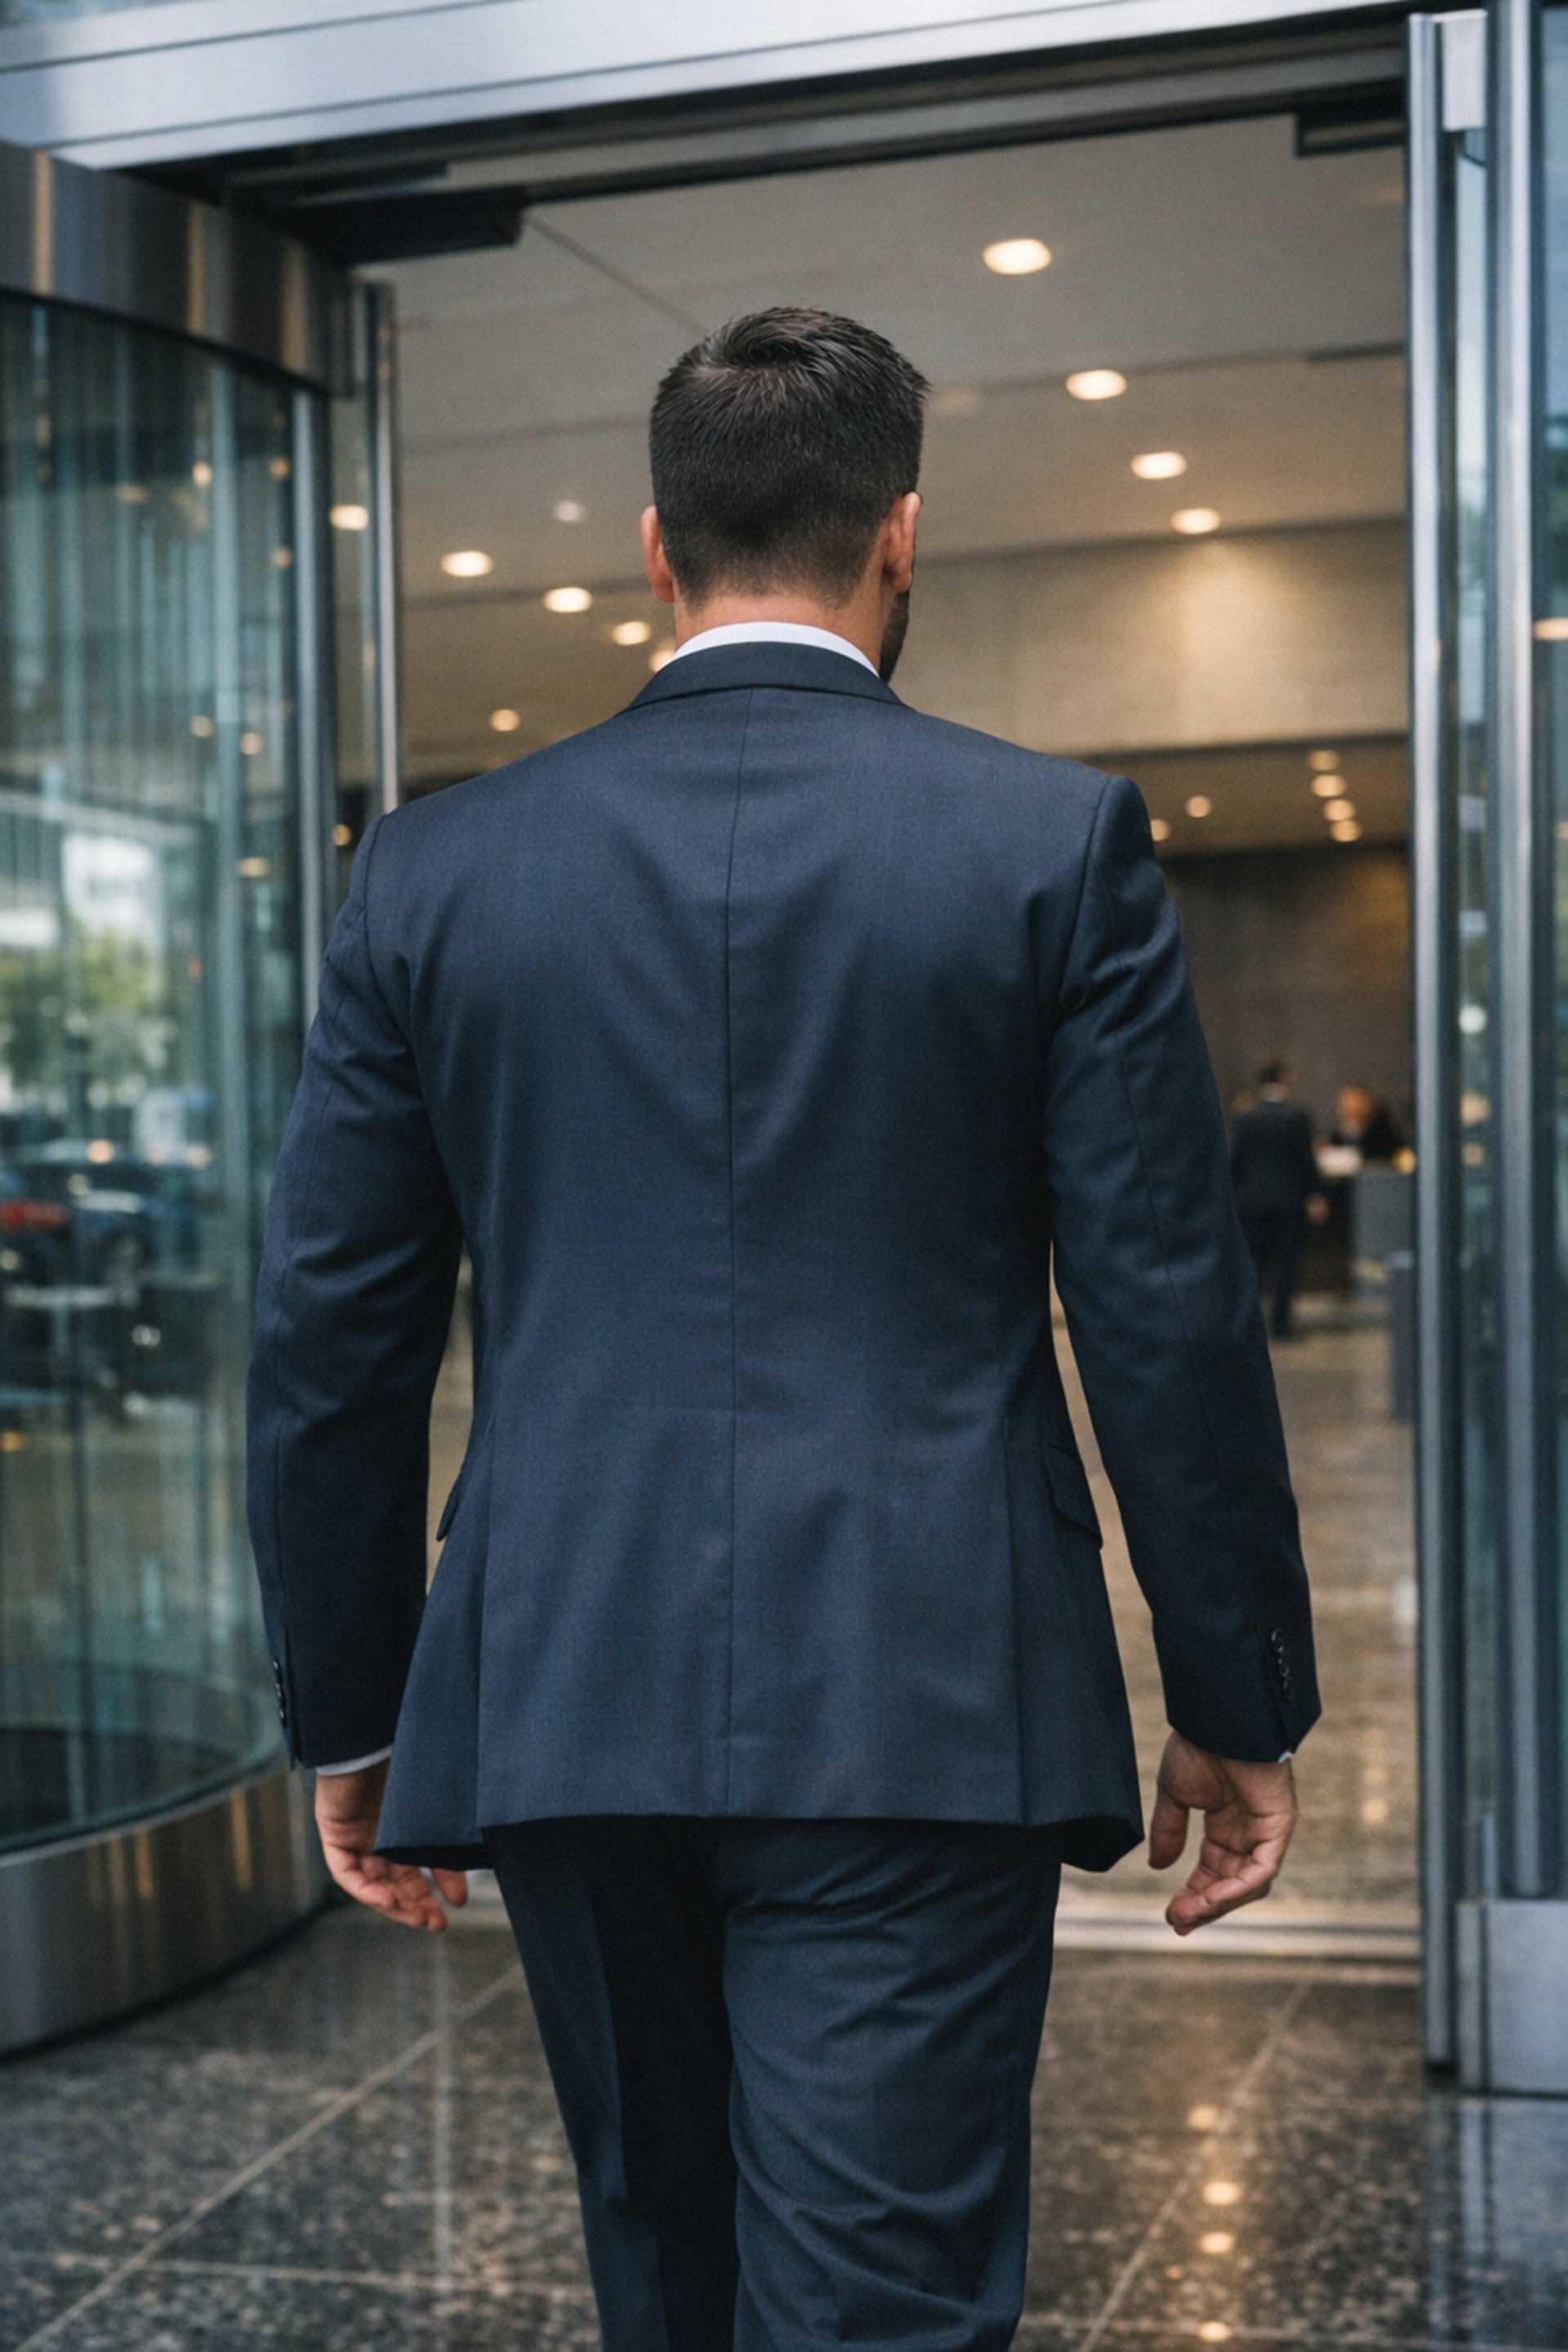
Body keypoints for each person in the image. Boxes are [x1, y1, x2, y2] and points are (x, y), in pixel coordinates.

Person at [248, 310, 1319, 2352]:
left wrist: (357, 1707)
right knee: (881, 2300)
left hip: (562, 1677)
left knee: (664, 2261)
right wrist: (1232, 1685)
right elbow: (1166, 1305)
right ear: (900, 535)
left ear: (656, 552)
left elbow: (330, 1332)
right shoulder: (1047, 846)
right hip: (923, 1687)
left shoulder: (436, 874)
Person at [1230, 1062, 1330, 1341]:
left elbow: (1235, 1161)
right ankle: (1280, 1323)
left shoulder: (1246, 1117)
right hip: (1288, 1201)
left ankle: (1251, 1324)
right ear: (1284, 1079)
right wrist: (1315, 1194)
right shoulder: (1297, 1117)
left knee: (1254, 1265)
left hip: (1252, 1202)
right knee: (1287, 1265)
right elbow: (1305, 1162)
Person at [1330, 1083, 1405, 1165]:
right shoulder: (1339, 1135)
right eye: (1345, 1104)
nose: (1350, 1108)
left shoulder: (1383, 1135)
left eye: (1356, 1103)